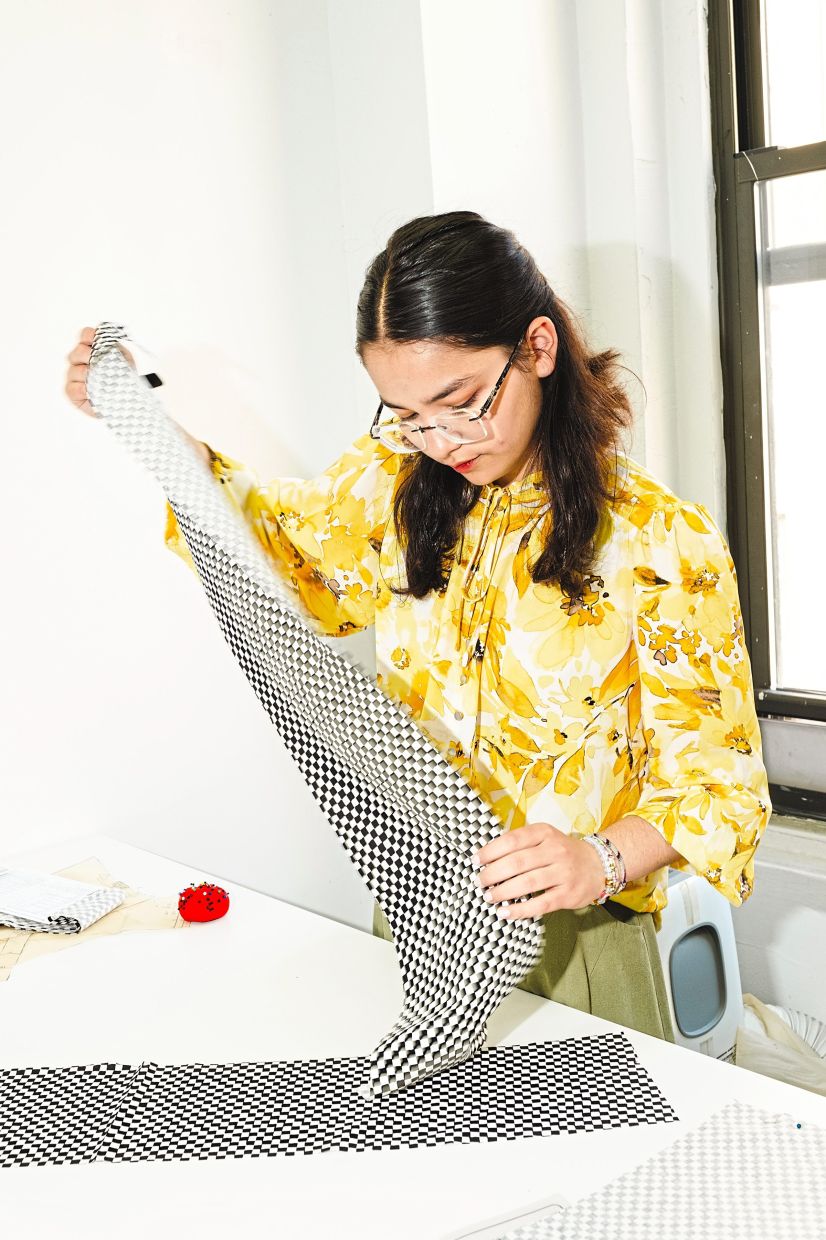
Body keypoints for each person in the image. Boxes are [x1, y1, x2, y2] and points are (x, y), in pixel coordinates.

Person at [64, 210, 771, 1042]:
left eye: (461, 402)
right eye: (406, 415)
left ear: (537, 349)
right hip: (418, 916)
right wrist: (143, 423)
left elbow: (722, 792)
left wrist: (597, 859)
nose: (438, 440)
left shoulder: (661, 542)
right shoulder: (394, 481)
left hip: (575, 938)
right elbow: (292, 561)